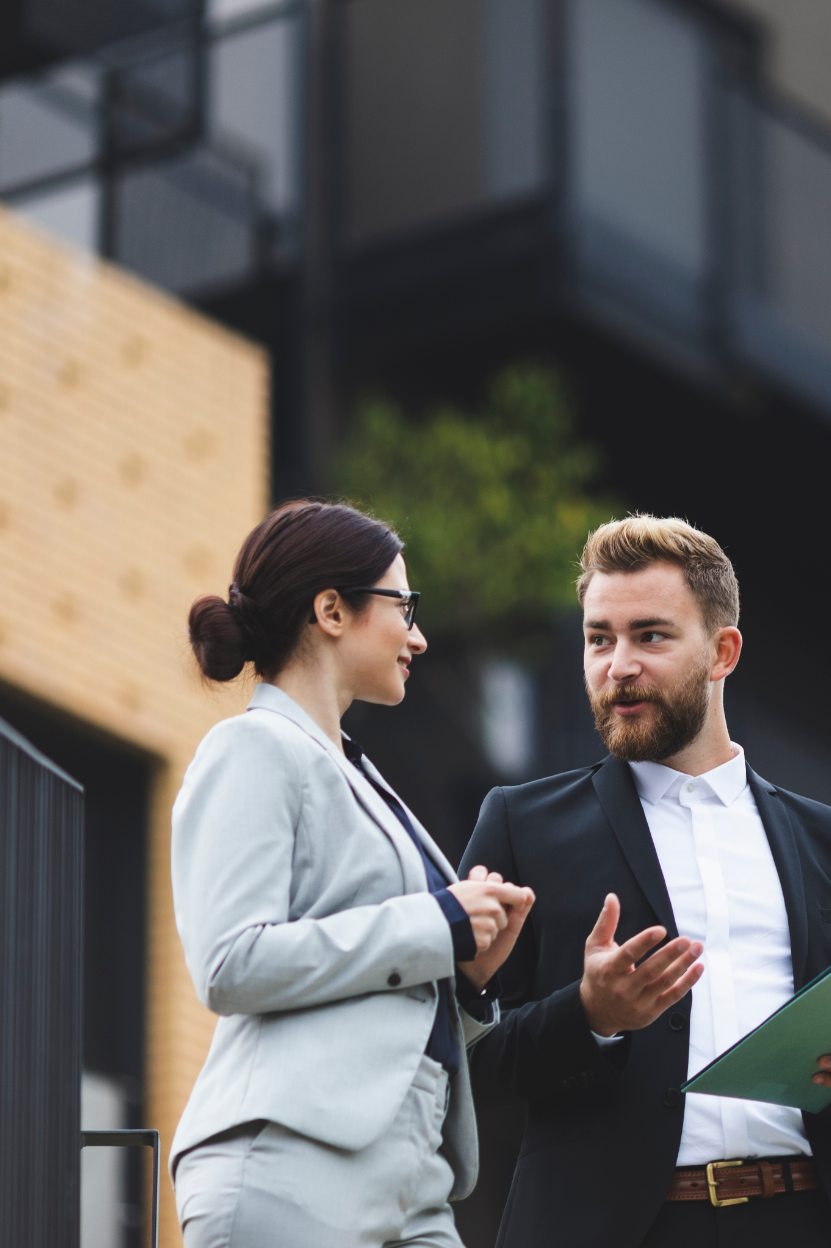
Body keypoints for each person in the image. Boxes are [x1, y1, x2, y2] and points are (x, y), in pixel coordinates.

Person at [461, 515, 831, 1248]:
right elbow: (457, 1059)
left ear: (723, 652)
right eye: (600, 639)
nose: (618, 664)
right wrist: (588, 1015)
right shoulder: (522, 826)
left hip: (808, 1220)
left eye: (650, 636)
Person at [169, 500, 536, 1248]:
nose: (420, 635)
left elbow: (385, 1006)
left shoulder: (357, 775)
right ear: (331, 610)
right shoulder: (252, 749)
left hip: (416, 1182)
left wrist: (466, 977)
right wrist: (436, 925)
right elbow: (228, 962)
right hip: (291, 1167)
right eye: (405, 606)